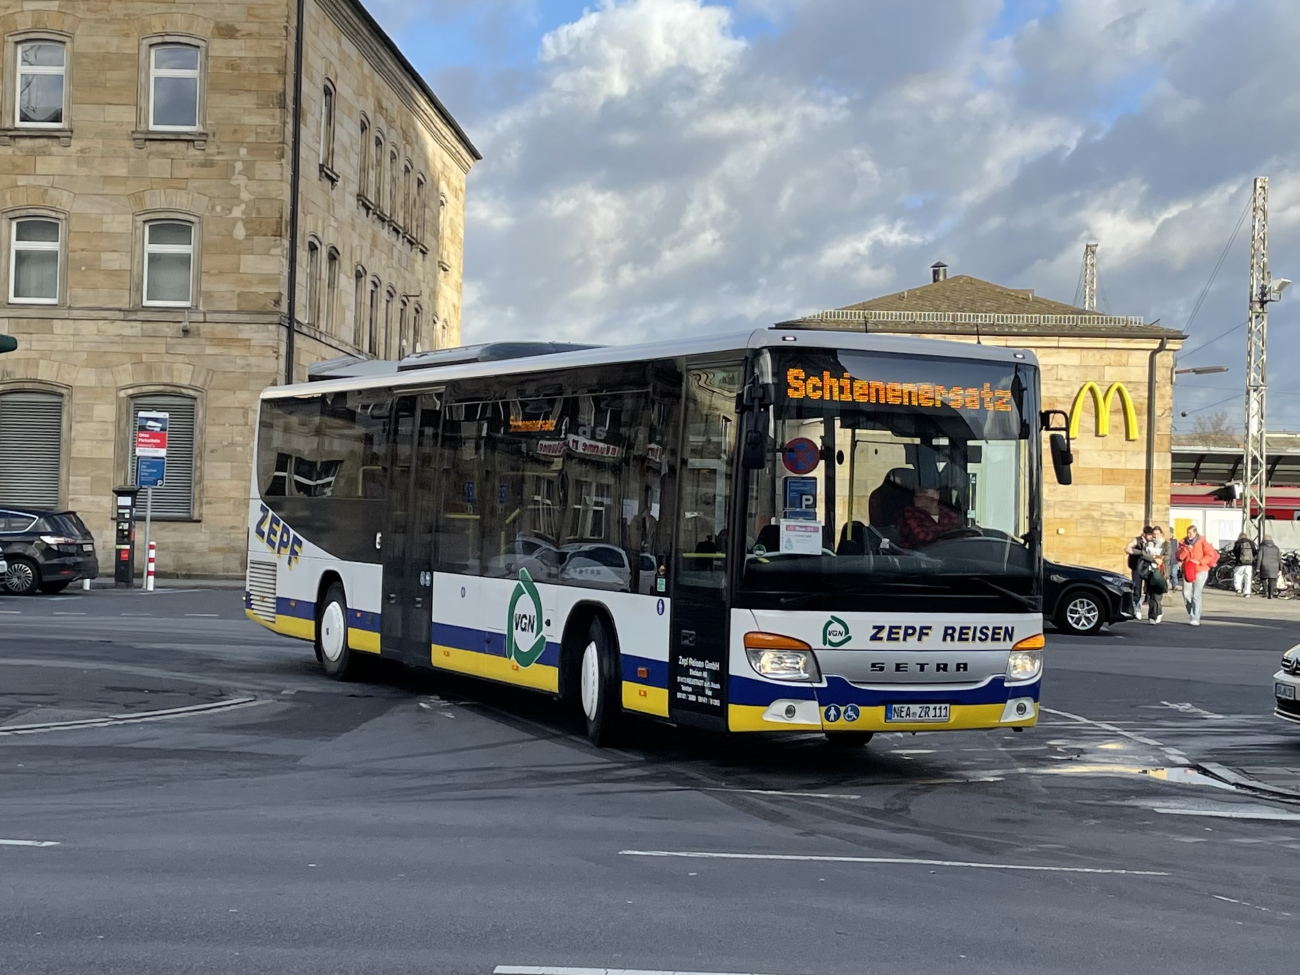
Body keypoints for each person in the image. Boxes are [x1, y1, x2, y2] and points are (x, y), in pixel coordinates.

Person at [1176, 524, 1218, 626]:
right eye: (1187, 533)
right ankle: (1192, 611)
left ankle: (1195, 617)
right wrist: (1186, 549)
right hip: (1188, 570)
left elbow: (1210, 555)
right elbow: (1179, 556)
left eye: (1190, 533)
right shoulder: (1183, 542)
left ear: (1195, 533)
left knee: (1196, 594)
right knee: (1186, 593)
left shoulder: (1202, 541)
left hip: (1200, 570)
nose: (1188, 535)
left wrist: (1200, 561)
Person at [1144, 526, 1169, 624]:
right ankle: (1157, 613)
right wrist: (1153, 558)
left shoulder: (1166, 544)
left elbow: (1168, 556)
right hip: (1149, 571)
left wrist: (1159, 558)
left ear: (1161, 534)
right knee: (1150, 595)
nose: (1155, 536)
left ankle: (1153, 616)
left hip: (1160, 572)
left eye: (1157, 534)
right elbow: (1144, 554)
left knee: (1157, 595)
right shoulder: (1148, 543)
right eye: (1154, 534)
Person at [1125, 526, 1153, 611]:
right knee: (1137, 588)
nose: (1151, 536)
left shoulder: (1151, 542)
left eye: (1151, 534)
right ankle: (1137, 608)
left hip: (1148, 567)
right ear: (1144, 534)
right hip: (1137, 567)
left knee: (1149, 588)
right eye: (1149, 535)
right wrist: (1140, 552)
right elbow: (1127, 549)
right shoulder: (1137, 540)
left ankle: (1149, 605)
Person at [1232, 532, 1256, 597]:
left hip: (1240, 563)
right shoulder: (1251, 543)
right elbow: (1254, 552)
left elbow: (1235, 552)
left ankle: (1238, 589)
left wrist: (1238, 557)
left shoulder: (1238, 543)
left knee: (1238, 575)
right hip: (1249, 564)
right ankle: (1247, 592)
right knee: (1248, 578)